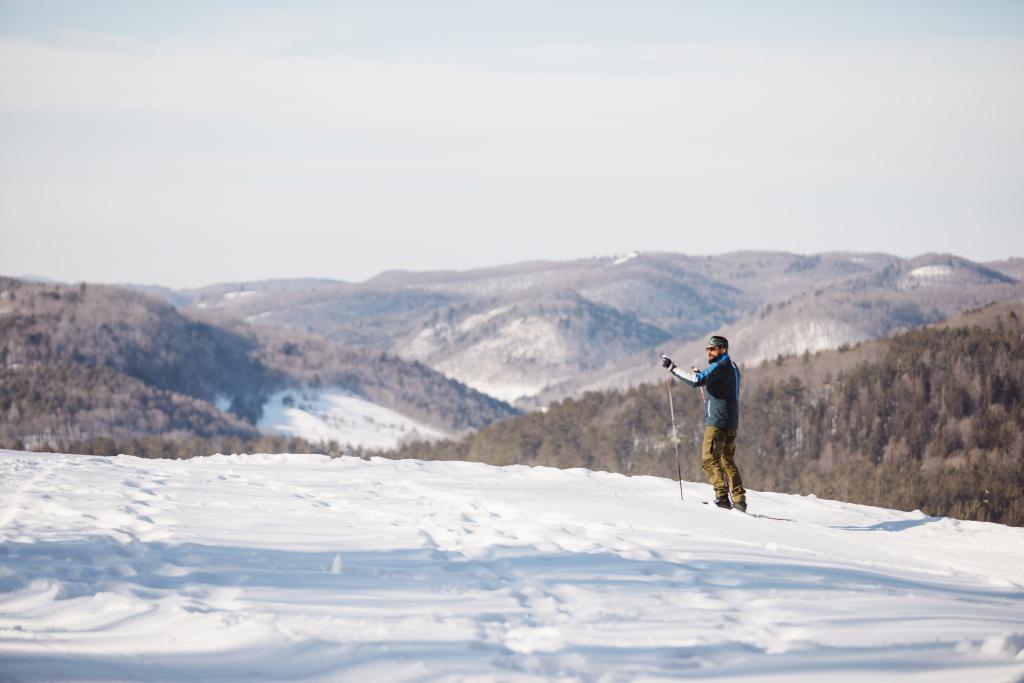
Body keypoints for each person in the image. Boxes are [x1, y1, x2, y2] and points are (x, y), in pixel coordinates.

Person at [660, 335, 747, 511]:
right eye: (708, 349)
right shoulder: (732, 366)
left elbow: (696, 382)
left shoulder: (720, 365)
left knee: (708, 459)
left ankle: (722, 497)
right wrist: (704, 376)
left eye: (713, 349)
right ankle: (739, 500)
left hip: (717, 422)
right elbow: (720, 386)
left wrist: (672, 368)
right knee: (726, 460)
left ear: (723, 349)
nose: (709, 352)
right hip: (731, 421)